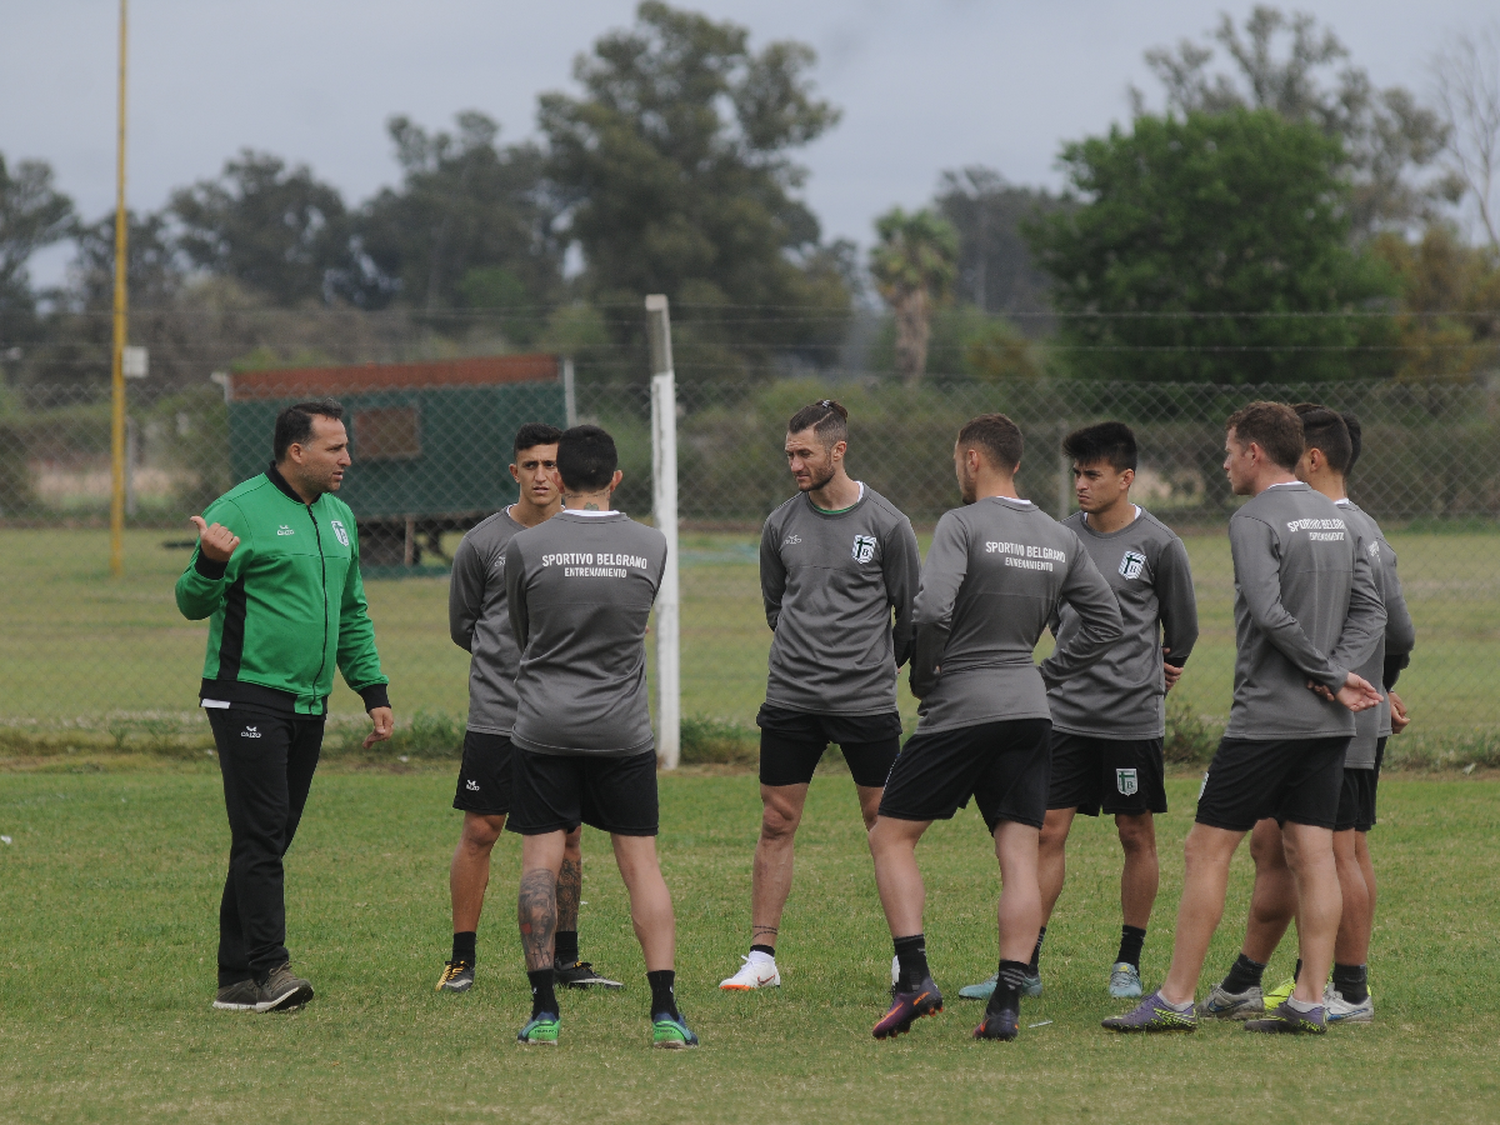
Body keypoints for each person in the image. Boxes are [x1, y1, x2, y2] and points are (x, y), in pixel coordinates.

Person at [1104, 401, 1384, 1036]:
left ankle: (1174, 999)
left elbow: (1268, 611)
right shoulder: (1341, 519)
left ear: (1256, 453)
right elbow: (1372, 611)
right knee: (1313, 853)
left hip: (1265, 723)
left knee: (1207, 849)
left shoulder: (1253, 518)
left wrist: (1328, 672)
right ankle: (1312, 998)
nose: (1223, 462)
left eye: (1229, 450)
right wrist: (1336, 672)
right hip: (1327, 726)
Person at [868, 414, 1123, 1042]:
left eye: (958, 460)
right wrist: (1048, 671)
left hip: (962, 708)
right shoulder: (1057, 536)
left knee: (891, 837)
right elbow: (1108, 622)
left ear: (975, 459)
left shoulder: (961, 523)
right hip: (1030, 710)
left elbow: (930, 607)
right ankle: (1006, 1003)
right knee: (1018, 857)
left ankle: (916, 978)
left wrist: (927, 676)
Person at [961, 422, 1199, 1005]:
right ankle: (1024, 966)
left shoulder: (1160, 544)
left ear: (1125, 478)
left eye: (1093, 475)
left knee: (1135, 832)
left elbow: (1182, 627)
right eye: (1076, 474)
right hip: (1061, 713)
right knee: (1046, 833)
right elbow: (1035, 615)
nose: (1082, 485)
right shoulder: (1058, 538)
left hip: (1130, 720)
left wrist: (1166, 666)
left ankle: (1128, 963)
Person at [176, 400, 393, 1013]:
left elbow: (351, 613)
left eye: (346, 447)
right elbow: (190, 602)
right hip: (246, 693)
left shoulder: (341, 516)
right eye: (335, 448)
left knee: (267, 837)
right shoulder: (239, 509)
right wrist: (211, 561)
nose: (347, 459)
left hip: (308, 701)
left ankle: (235, 980)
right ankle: (271, 971)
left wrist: (371, 691)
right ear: (297, 452)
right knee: (263, 833)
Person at [1202, 406, 1414, 1024]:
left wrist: (1342, 679)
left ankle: (1347, 988)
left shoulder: (1345, 529)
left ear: (1311, 458)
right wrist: (1369, 678)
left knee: (1333, 853)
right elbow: (1392, 632)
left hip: (1333, 715)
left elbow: (1389, 625)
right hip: (1337, 705)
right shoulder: (1348, 525)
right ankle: (1247, 979)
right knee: (1278, 846)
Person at [503, 425, 696, 1048]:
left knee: (540, 862)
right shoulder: (651, 545)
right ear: (616, 479)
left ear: (557, 477)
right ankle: (665, 1010)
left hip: (543, 727)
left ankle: (543, 1013)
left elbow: (522, 629)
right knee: (641, 865)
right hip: (622, 731)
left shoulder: (527, 548)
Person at [719, 400, 921, 992]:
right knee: (777, 821)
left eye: (804, 453)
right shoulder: (780, 525)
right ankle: (762, 958)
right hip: (791, 699)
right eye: (789, 453)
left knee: (886, 825)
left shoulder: (888, 524)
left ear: (838, 451)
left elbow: (909, 614)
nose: (794, 464)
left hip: (865, 703)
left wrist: (873, 665)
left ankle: (905, 957)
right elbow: (776, 607)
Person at [436, 423, 621, 994]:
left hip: (561, 716)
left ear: (566, 472)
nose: (542, 476)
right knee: (482, 830)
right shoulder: (483, 542)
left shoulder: (580, 538)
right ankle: (461, 960)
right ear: (514, 472)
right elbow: (466, 626)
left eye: (551, 465)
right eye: (530, 466)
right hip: (499, 714)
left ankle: (566, 958)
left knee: (568, 836)